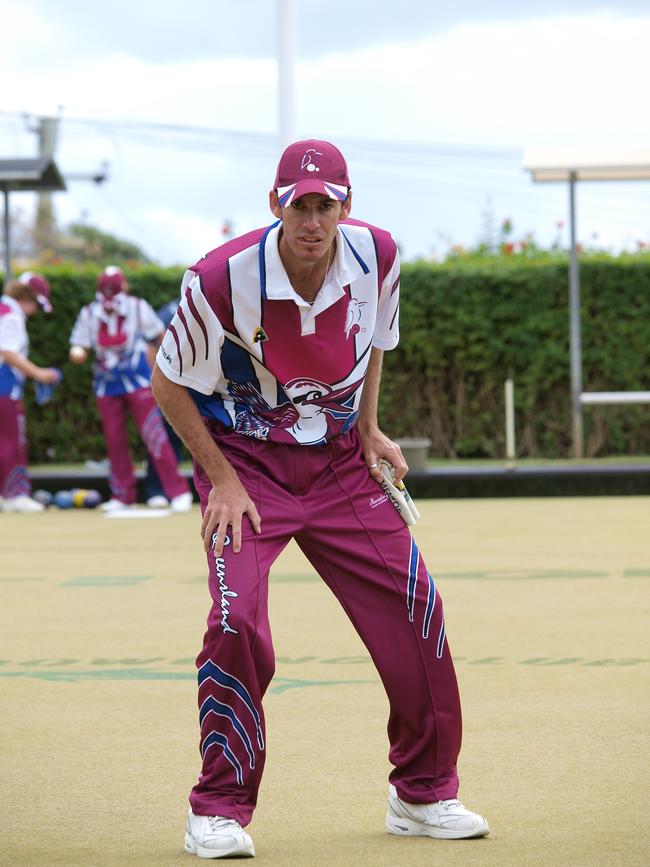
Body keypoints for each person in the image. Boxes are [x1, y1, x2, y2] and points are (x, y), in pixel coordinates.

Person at [151, 139, 489, 859]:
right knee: (236, 617)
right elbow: (167, 380)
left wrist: (367, 429)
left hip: (338, 464)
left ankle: (422, 792)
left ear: (346, 205)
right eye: (298, 204)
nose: (312, 219)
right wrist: (222, 479)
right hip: (246, 464)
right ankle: (216, 807)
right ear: (275, 205)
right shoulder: (219, 278)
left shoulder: (381, 256)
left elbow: (375, 346)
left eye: (325, 204)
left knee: (416, 604)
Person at [69, 266, 192, 512]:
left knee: (154, 435)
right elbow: (79, 344)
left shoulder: (137, 306)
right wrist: (78, 352)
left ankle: (177, 491)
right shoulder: (89, 312)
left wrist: (167, 366)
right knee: (114, 440)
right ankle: (122, 494)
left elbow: (158, 335)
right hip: (106, 384)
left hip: (138, 381)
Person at [0, 272, 61, 513]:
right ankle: (16, 494)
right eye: (36, 303)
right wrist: (38, 373)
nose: (35, 310)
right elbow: (8, 353)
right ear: (28, 296)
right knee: (12, 439)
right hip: (5, 385)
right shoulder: (12, 316)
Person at [143, 298, 186, 508]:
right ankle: (156, 490)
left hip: (204, 386)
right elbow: (151, 344)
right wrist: (157, 382)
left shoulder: (218, 302)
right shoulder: (169, 310)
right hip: (171, 384)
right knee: (163, 437)